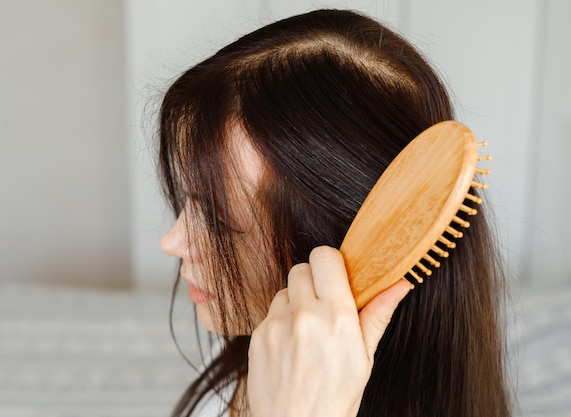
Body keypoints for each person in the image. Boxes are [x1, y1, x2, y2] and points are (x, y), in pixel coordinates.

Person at [158, 9, 510, 417]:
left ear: (348, 245)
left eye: (219, 221)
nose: (172, 242)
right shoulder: (259, 349)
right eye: (188, 200)